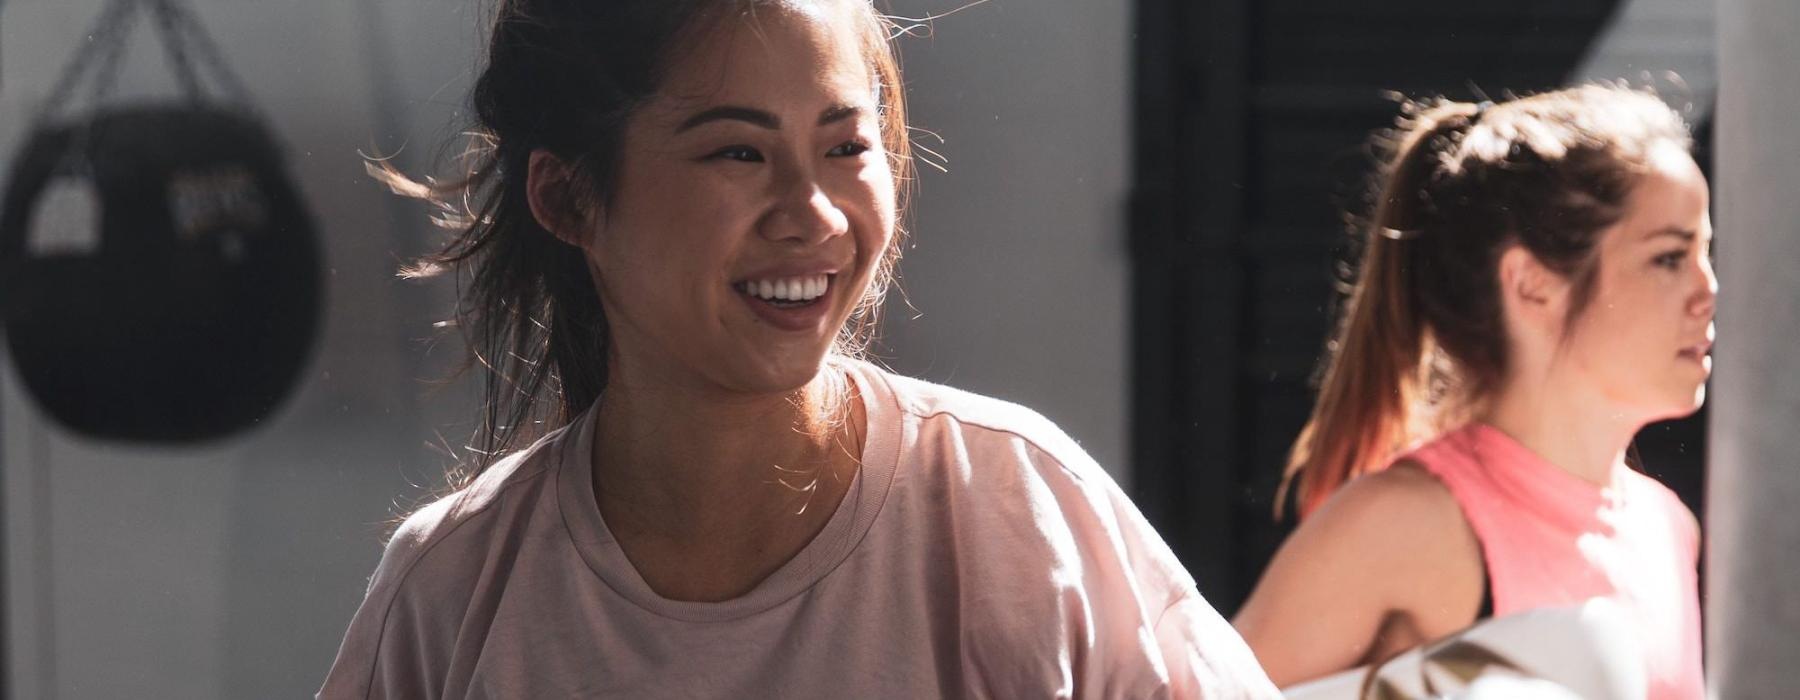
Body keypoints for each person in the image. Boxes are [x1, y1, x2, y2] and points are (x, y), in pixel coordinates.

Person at [318, 1, 1277, 697]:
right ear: (568, 199)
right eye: (737, 152)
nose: (812, 214)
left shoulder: (1018, 518)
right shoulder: (453, 594)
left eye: (846, 149)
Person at [1232, 85, 1711, 699]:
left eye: (1707, 252)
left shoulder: (1668, 528)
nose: (1708, 290)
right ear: (1532, 284)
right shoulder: (1403, 523)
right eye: (1669, 258)